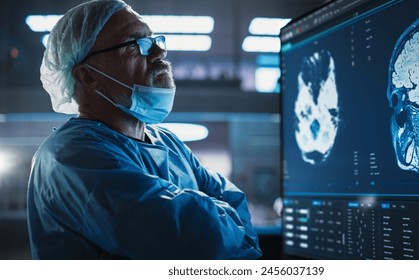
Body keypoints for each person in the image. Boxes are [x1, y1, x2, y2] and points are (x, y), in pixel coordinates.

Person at [27, 0, 262, 260]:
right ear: (88, 76)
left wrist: (218, 222)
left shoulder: (168, 142)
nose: (159, 52)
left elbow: (236, 202)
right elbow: (198, 241)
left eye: (154, 40)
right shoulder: (69, 157)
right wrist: (224, 224)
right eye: (136, 44)